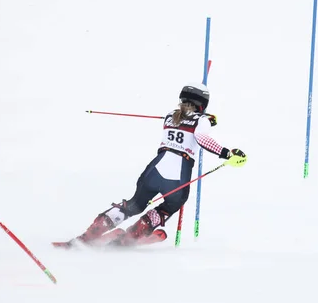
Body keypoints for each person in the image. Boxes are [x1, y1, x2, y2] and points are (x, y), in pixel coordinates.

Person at [69, 83, 246, 247]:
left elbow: (185, 122)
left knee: (134, 205)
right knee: (168, 207)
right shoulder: (202, 121)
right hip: (178, 174)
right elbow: (201, 138)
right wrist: (227, 153)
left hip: (155, 169)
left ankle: (90, 235)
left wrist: (206, 119)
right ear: (203, 104)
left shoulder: (170, 115)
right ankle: (132, 236)